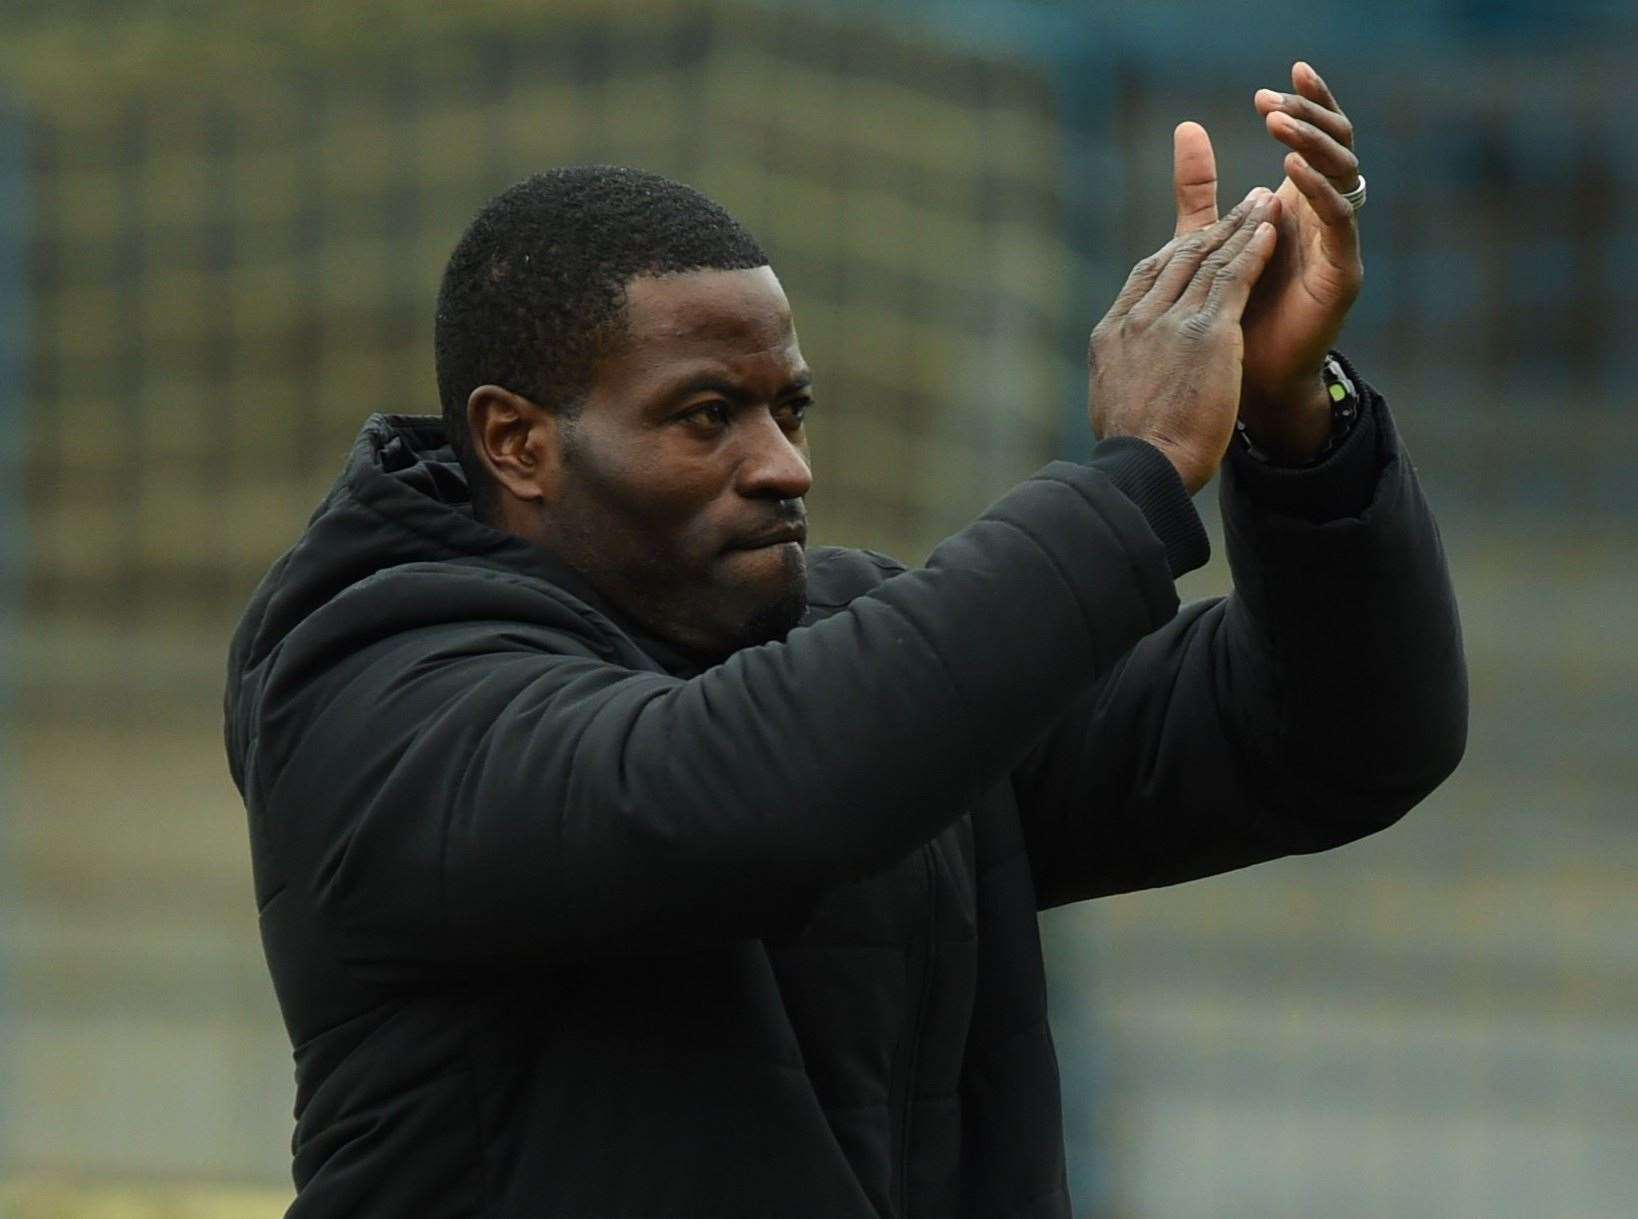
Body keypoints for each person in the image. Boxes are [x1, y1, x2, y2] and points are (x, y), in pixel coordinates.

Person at [226, 62, 1465, 1218]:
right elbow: (743, 795)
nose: (784, 465)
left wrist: (1297, 420)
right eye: (706, 415)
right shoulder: (376, 684)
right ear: (517, 442)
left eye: (788, 408)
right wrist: (1137, 476)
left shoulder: (857, 662)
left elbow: (1342, 739)